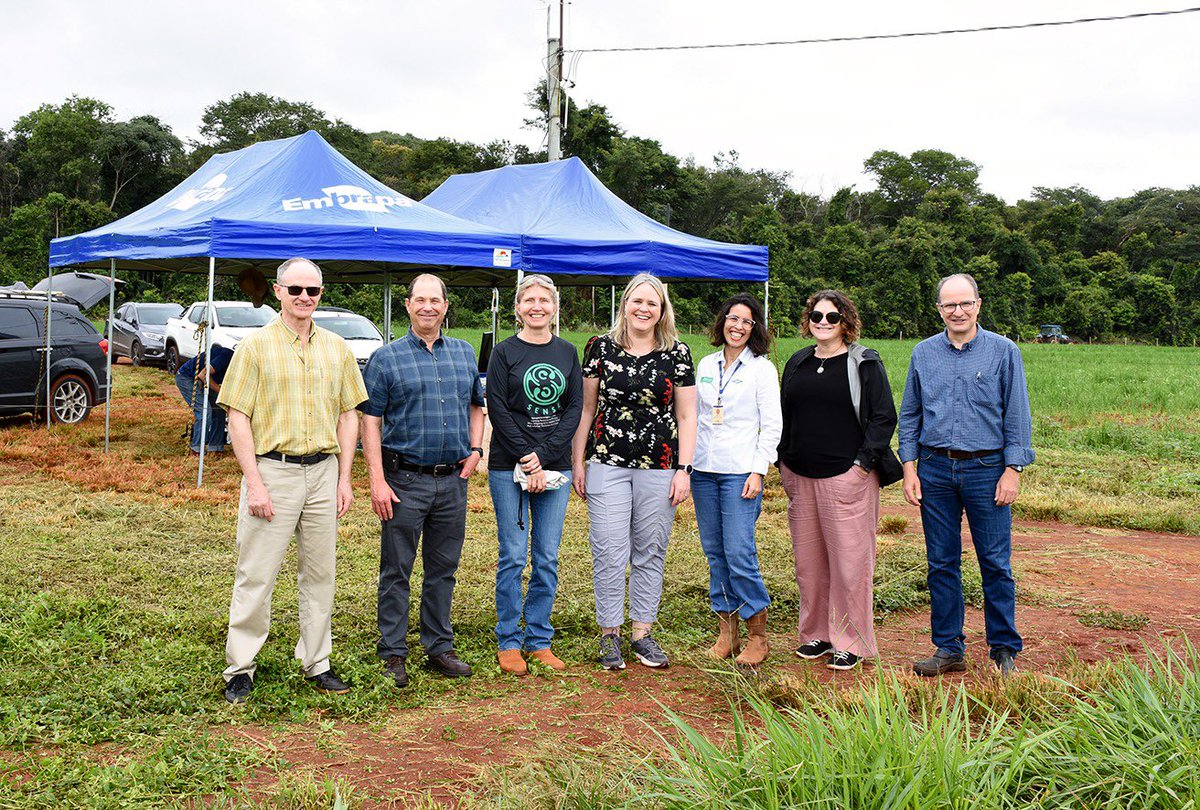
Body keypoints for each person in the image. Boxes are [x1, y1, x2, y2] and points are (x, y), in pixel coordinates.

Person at [216, 258, 367, 704]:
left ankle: (317, 661)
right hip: (273, 471)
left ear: (321, 294)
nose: (304, 297)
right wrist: (255, 482)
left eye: (312, 290)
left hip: (323, 472)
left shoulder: (337, 348)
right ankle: (240, 668)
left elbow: (349, 415)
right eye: (295, 289)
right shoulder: (254, 347)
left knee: (321, 575)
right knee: (256, 574)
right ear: (278, 291)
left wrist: (344, 478)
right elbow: (237, 417)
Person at [899, 273, 1034, 678]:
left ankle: (1003, 650)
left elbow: (1017, 413)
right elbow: (910, 413)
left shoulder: (1003, 351)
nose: (957, 311)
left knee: (995, 562)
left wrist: (1012, 469)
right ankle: (948, 648)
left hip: (987, 469)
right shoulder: (924, 353)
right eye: (949, 305)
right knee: (941, 562)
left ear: (978, 305)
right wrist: (909, 467)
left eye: (965, 303)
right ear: (939, 309)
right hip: (935, 468)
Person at [361, 273, 485, 687]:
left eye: (436, 300)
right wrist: (377, 480)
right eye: (420, 300)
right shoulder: (386, 359)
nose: (428, 307)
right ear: (408, 305)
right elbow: (371, 420)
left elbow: (476, 405)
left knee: (443, 568)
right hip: (404, 480)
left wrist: (476, 449)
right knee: (396, 569)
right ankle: (393, 652)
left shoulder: (464, 352)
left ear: (446, 306)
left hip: (452, 481)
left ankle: (439, 647)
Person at [572, 273, 697, 671]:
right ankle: (610, 633)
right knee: (609, 550)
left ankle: (642, 633)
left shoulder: (677, 353)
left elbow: (687, 414)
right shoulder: (600, 347)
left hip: (660, 466)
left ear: (662, 311)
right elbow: (587, 409)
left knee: (650, 549)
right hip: (606, 462)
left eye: (652, 303)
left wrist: (684, 469)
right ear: (625, 304)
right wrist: (578, 461)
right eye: (637, 301)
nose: (643, 309)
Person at [777, 290, 901, 671]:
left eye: (832, 317)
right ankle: (817, 634)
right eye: (817, 316)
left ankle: (852, 642)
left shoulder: (864, 363)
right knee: (809, 565)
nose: (823, 323)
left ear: (846, 322)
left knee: (850, 565)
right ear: (808, 320)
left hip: (846, 477)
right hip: (800, 477)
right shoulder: (798, 362)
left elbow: (883, 418)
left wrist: (861, 467)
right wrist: (783, 462)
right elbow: (785, 416)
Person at [486, 274, 583, 676]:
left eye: (545, 300)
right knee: (512, 555)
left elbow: (573, 409)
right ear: (517, 308)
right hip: (507, 465)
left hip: (555, 465)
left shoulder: (567, 352)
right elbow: (497, 408)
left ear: (554, 307)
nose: (537, 306)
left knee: (546, 557)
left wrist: (543, 457)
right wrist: (528, 458)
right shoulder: (503, 352)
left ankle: (539, 639)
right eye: (529, 300)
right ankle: (509, 640)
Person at [692, 294, 781, 666]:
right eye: (733, 318)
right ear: (722, 321)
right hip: (703, 472)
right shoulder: (706, 364)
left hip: (740, 473)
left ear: (754, 328)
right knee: (715, 554)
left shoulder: (762, 369)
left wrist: (758, 471)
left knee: (739, 553)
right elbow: (694, 416)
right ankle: (727, 634)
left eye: (746, 321)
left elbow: (772, 425)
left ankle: (758, 636)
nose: (738, 326)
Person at [176, 343, 234, 454]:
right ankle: (196, 448)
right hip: (187, 378)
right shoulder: (226, 356)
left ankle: (215, 446)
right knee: (204, 411)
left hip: (206, 380)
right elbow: (203, 375)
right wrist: (222, 392)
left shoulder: (240, 367)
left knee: (220, 409)